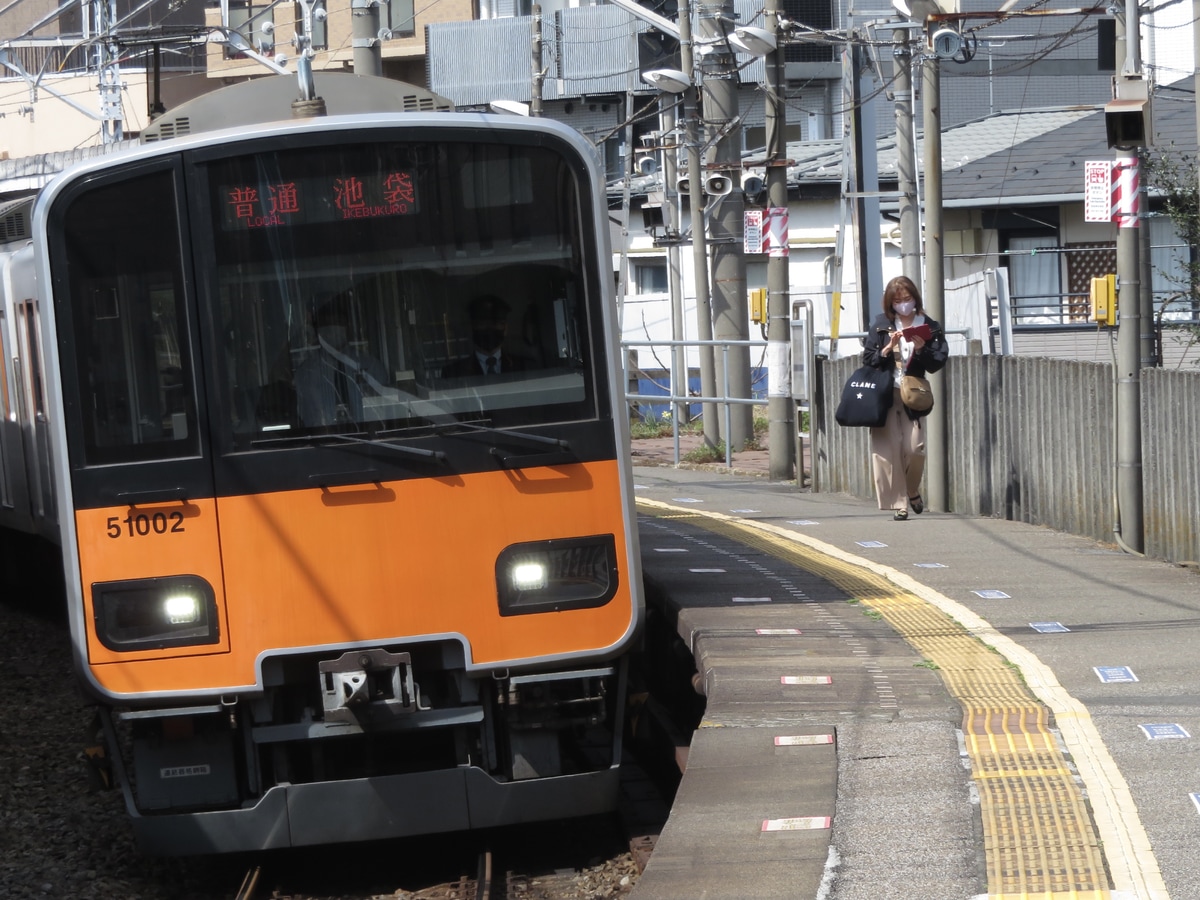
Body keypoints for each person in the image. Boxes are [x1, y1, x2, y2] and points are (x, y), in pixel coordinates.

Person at [861, 275, 949, 521]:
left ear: (915, 299)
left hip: (913, 393)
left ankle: (911, 489)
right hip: (884, 393)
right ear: (890, 303)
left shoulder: (929, 326)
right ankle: (900, 503)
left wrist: (921, 349)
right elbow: (868, 358)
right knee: (887, 450)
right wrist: (886, 350)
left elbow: (938, 361)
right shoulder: (881, 325)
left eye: (907, 299)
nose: (903, 304)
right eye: (897, 300)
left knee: (914, 448)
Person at [294, 296, 389, 428]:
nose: (333, 329)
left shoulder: (371, 367)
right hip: (322, 443)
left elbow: (385, 411)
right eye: (326, 323)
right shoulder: (306, 374)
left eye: (337, 321)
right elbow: (303, 418)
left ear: (348, 326)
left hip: (370, 441)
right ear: (318, 330)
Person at [442, 294, 529, 378]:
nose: (490, 328)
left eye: (496, 323)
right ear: (472, 328)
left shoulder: (526, 367)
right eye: (482, 323)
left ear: (505, 328)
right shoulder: (452, 373)